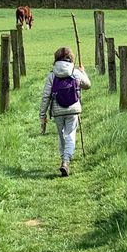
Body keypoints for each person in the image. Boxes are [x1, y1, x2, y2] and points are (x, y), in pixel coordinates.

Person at [39, 47, 91, 177]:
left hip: (57, 111)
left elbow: (46, 96)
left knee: (62, 136)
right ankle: (66, 161)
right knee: (70, 135)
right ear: (71, 58)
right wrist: (83, 72)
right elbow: (88, 85)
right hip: (73, 109)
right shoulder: (75, 72)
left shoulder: (52, 75)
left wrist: (42, 115)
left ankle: (64, 160)